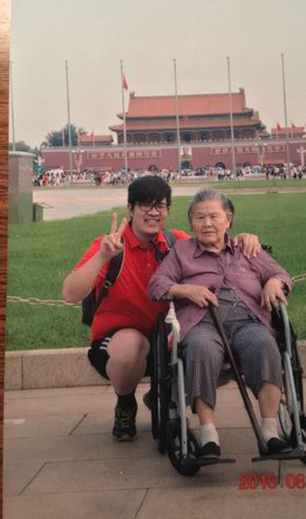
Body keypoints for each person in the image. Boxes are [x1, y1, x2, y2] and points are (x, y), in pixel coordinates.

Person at [62, 176, 262, 443]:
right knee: (130, 346)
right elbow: (69, 294)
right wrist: (102, 256)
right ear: (130, 208)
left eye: (161, 206)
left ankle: (164, 394)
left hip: (169, 338)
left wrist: (242, 239)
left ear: (168, 211)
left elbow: (215, 247)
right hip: (119, 342)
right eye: (145, 205)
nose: (153, 212)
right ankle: (125, 403)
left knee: (212, 346)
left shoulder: (177, 243)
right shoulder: (111, 245)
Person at [148, 189, 294, 459]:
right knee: (201, 346)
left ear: (228, 219)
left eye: (214, 217)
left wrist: (274, 282)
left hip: (247, 320)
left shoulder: (246, 248)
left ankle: (270, 431)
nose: (207, 224)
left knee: (264, 342)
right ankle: (208, 435)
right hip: (202, 322)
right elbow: (157, 284)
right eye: (199, 217)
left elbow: (280, 273)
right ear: (191, 223)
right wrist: (186, 290)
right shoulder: (182, 252)